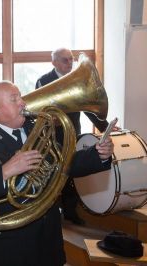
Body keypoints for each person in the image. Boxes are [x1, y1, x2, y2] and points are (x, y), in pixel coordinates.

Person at [0, 81, 114, 265]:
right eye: (14, 99)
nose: (23, 102)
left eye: (20, 97)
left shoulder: (37, 129)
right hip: (8, 246)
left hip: (48, 237)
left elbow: (63, 163)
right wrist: (5, 171)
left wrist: (98, 154)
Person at [35, 47, 110, 225]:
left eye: (71, 59)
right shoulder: (43, 81)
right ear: (54, 62)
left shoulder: (78, 80)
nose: (70, 63)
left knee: (71, 174)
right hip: (52, 139)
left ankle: (70, 212)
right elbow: (42, 110)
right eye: (64, 60)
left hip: (72, 134)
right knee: (54, 175)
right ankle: (49, 212)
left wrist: (105, 127)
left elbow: (87, 108)